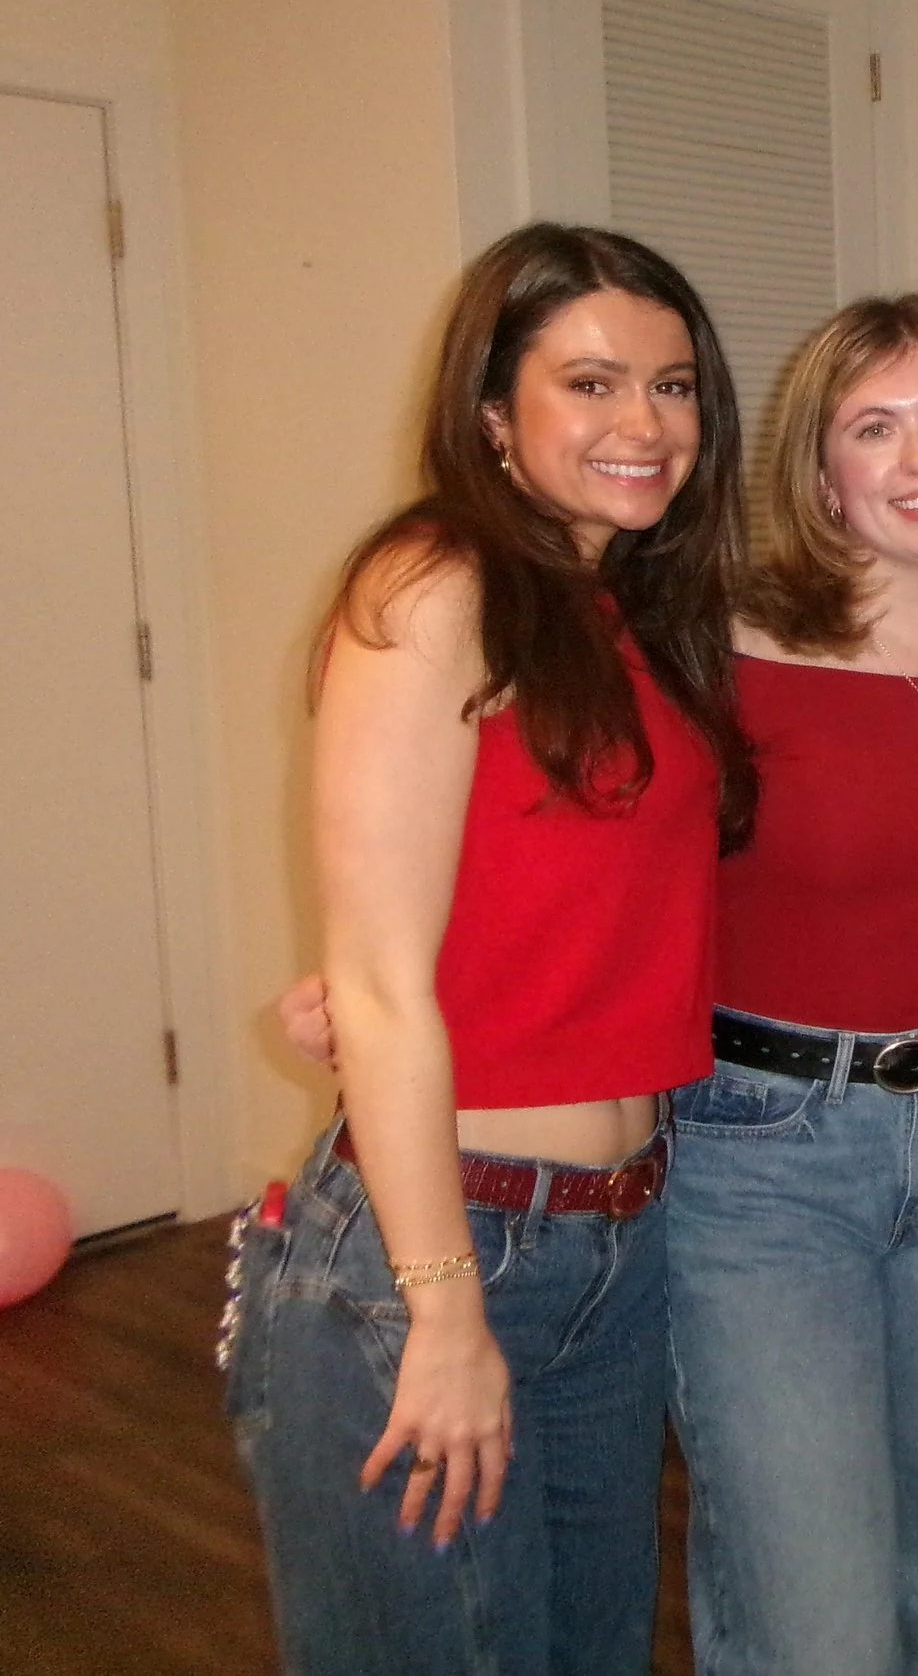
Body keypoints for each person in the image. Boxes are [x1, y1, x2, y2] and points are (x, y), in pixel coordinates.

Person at [228, 223, 756, 1676]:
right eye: (589, 384)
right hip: (448, 1241)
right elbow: (389, 982)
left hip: (620, 1235)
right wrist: (437, 1311)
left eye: (671, 385)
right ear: (493, 417)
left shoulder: (634, 614)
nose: (643, 424)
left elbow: (561, 908)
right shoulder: (429, 584)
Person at [669, 292, 918, 1676]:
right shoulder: (719, 648)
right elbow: (582, 839)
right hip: (763, 1147)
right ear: (823, 474)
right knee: (812, 1610)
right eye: (876, 425)